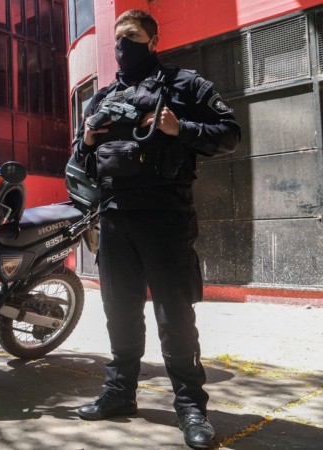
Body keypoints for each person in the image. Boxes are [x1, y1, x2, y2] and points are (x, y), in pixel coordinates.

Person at [71, 9, 240, 450]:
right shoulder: (103, 97)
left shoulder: (185, 85)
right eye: (119, 37)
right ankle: (119, 393)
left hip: (166, 220)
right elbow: (79, 163)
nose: (123, 45)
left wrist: (178, 127)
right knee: (119, 311)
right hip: (114, 219)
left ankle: (190, 407)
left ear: (153, 38)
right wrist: (87, 140)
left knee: (174, 316)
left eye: (132, 36)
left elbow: (229, 133)